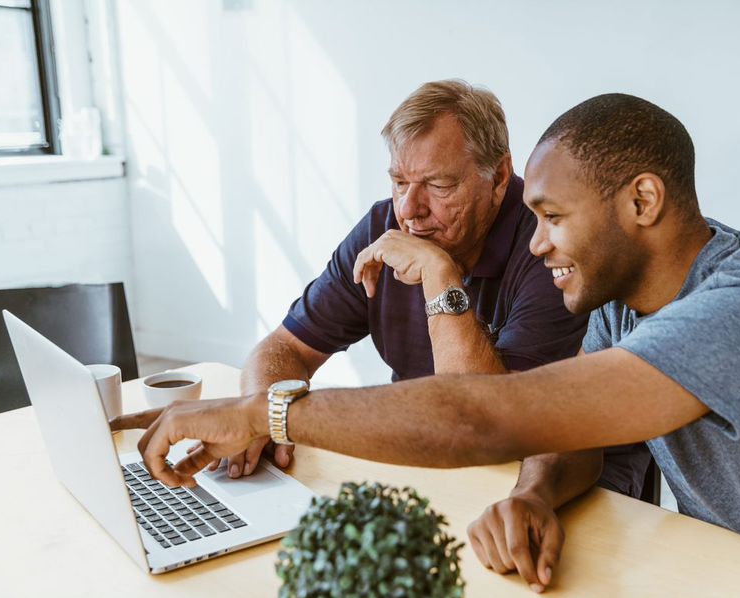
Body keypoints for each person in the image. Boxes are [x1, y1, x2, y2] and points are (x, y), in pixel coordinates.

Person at [114, 93, 740, 589]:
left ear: (642, 201)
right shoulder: (629, 302)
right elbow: (572, 438)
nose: (541, 242)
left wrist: (263, 414)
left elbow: (486, 417)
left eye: (553, 217)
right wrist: (531, 495)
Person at [219, 79, 650, 503]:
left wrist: (439, 275)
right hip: (433, 466)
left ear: (499, 177)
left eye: (439, 186)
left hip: (564, 487)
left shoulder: (550, 242)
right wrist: (261, 419)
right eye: (400, 181)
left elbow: (491, 429)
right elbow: (283, 349)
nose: (409, 210)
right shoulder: (384, 226)